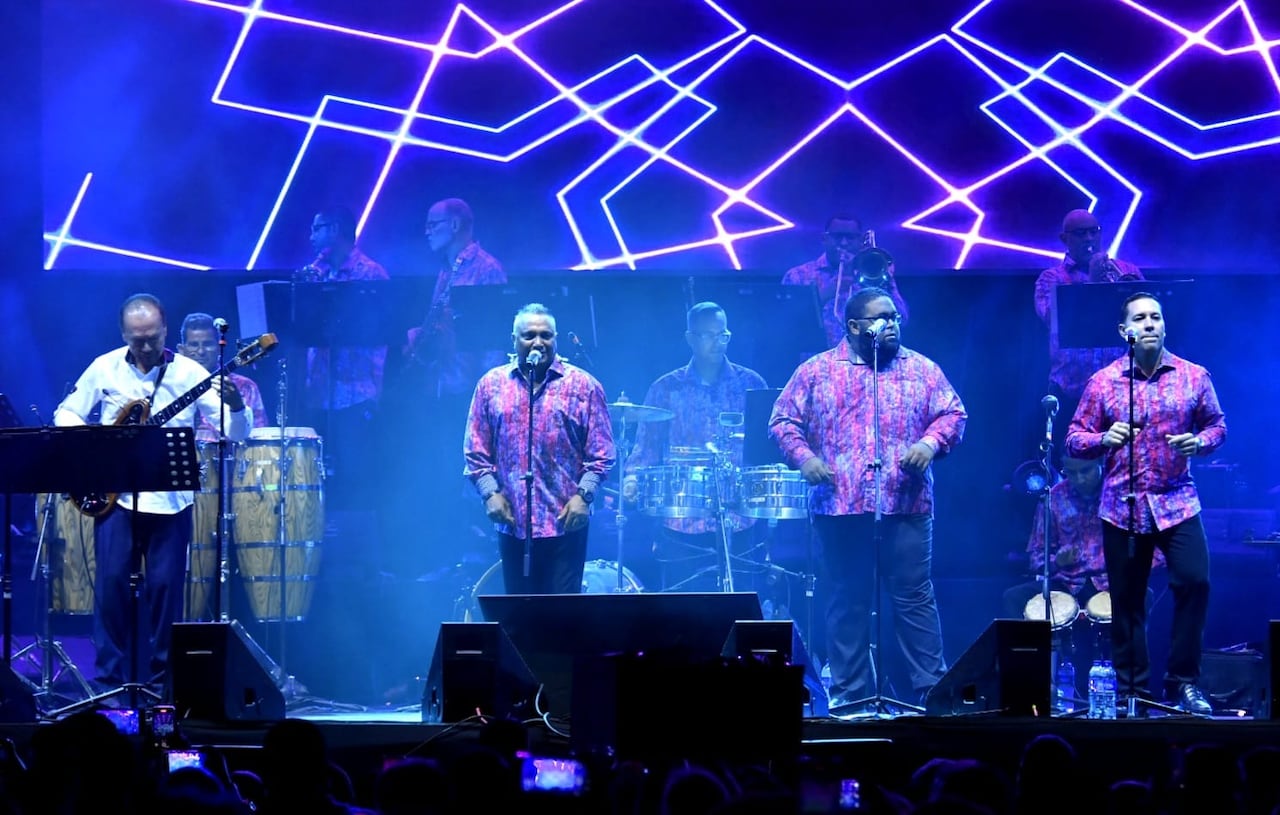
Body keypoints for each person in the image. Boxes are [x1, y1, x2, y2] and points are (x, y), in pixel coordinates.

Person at [770, 287, 966, 711]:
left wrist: (931, 443)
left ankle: (932, 693)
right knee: (847, 598)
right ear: (855, 326)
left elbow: (954, 413)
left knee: (914, 597)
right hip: (841, 505)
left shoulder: (922, 369)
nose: (892, 324)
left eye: (895, 316)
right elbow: (783, 419)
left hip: (906, 504)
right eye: (882, 318)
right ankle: (853, 696)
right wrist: (804, 459)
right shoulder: (817, 371)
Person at [53, 293, 252, 691]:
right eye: (136, 338)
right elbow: (66, 412)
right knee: (110, 591)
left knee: (165, 595)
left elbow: (235, 433)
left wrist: (238, 408)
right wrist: (94, 446)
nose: (144, 346)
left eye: (152, 338)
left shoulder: (191, 372)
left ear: (165, 330)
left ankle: (166, 688)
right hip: (117, 500)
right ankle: (109, 685)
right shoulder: (104, 367)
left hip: (171, 502)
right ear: (124, 333)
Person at [1066, 291, 1225, 715]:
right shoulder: (1104, 381)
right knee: (1128, 599)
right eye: (1140, 318)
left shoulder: (1194, 376)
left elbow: (1217, 425)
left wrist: (1201, 442)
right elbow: (1075, 438)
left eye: (1156, 316)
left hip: (1177, 501)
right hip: (1123, 506)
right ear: (1125, 331)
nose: (1150, 323)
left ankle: (1183, 683)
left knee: (1195, 582)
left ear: (1165, 325)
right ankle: (1131, 690)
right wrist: (1105, 438)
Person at [463, 303, 615, 594]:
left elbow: (602, 452)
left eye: (546, 335)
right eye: (529, 335)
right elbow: (475, 449)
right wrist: (489, 493)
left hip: (565, 521)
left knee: (561, 617)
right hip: (512, 521)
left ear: (555, 338)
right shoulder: (490, 385)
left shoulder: (584, 386)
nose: (538, 342)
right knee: (519, 617)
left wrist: (584, 496)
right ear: (514, 339)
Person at [622, 302, 768, 591]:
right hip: (681, 517)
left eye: (723, 335)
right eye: (708, 335)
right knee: (683, 607)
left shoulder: (751, 383)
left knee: (740, 604)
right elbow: (646, 447)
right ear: (690, 338)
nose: (717, 342)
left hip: (738, 516)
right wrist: (632, 478)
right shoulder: (666, 388)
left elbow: (763, 449)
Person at [300, 205, 388, 510]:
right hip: (320, 394)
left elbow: (380, 334)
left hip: (357, 394)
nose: (310, 236)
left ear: (335, 229)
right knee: (321, 475)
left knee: (356, 476)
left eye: (316, 229)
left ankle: (361, 552)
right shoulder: (317, 273)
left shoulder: (371, 274)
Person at [1035, 209, 1143, 443]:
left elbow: (1145, 317)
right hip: (1071, 388)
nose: (1089, 239)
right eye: (1081, 234)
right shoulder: (1050, 278)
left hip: (1123, 387)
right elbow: (1053, 319)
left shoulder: (1128, 271)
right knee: (1075, 460)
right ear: (1065, 239)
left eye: (1093, 232)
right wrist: (1093, 281)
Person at [405, 197, 506, 395]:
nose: (427, 232)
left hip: (470, 389)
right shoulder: (446, 270)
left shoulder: (487, 268)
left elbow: (495, 339)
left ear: (454, 224)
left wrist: (489, 394)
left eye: (432, 225)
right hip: (442, 385)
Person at [782, 214, 909, 348]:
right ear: (824, 238)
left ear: (861, 241)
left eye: (851, 237)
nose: (844, 243)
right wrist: (827, 293)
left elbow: (902, 320)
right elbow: (786, 321)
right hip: (814, 358)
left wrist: (888, 281)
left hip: (866, 359)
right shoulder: (798, 275)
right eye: (837, 236)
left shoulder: (873, 276)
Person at [176, 311, 269, 440]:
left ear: (219, 348)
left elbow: (258, 440)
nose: (201, 351)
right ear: (181, 350)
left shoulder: (246, 387)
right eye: (194, 345)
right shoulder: (172, 383)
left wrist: (237, 407)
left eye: (208, 344)